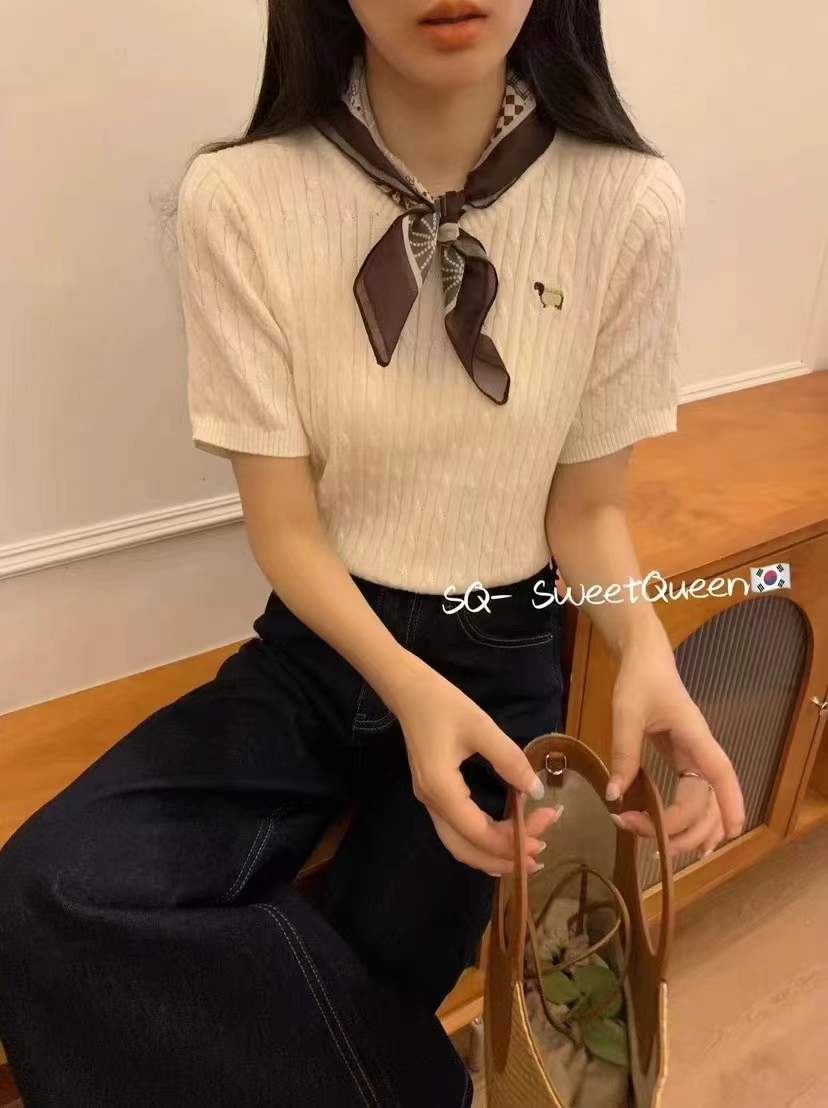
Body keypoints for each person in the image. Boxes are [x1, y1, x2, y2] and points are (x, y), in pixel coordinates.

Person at [0, 1, 746, 1104]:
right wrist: (401, 682)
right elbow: (285, 528)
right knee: (45, 894)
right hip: (318, 650)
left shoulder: (628, 202)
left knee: (375, 966)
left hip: (498, 666)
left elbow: (588, 512)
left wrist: (645, 647)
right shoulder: (240, 198)